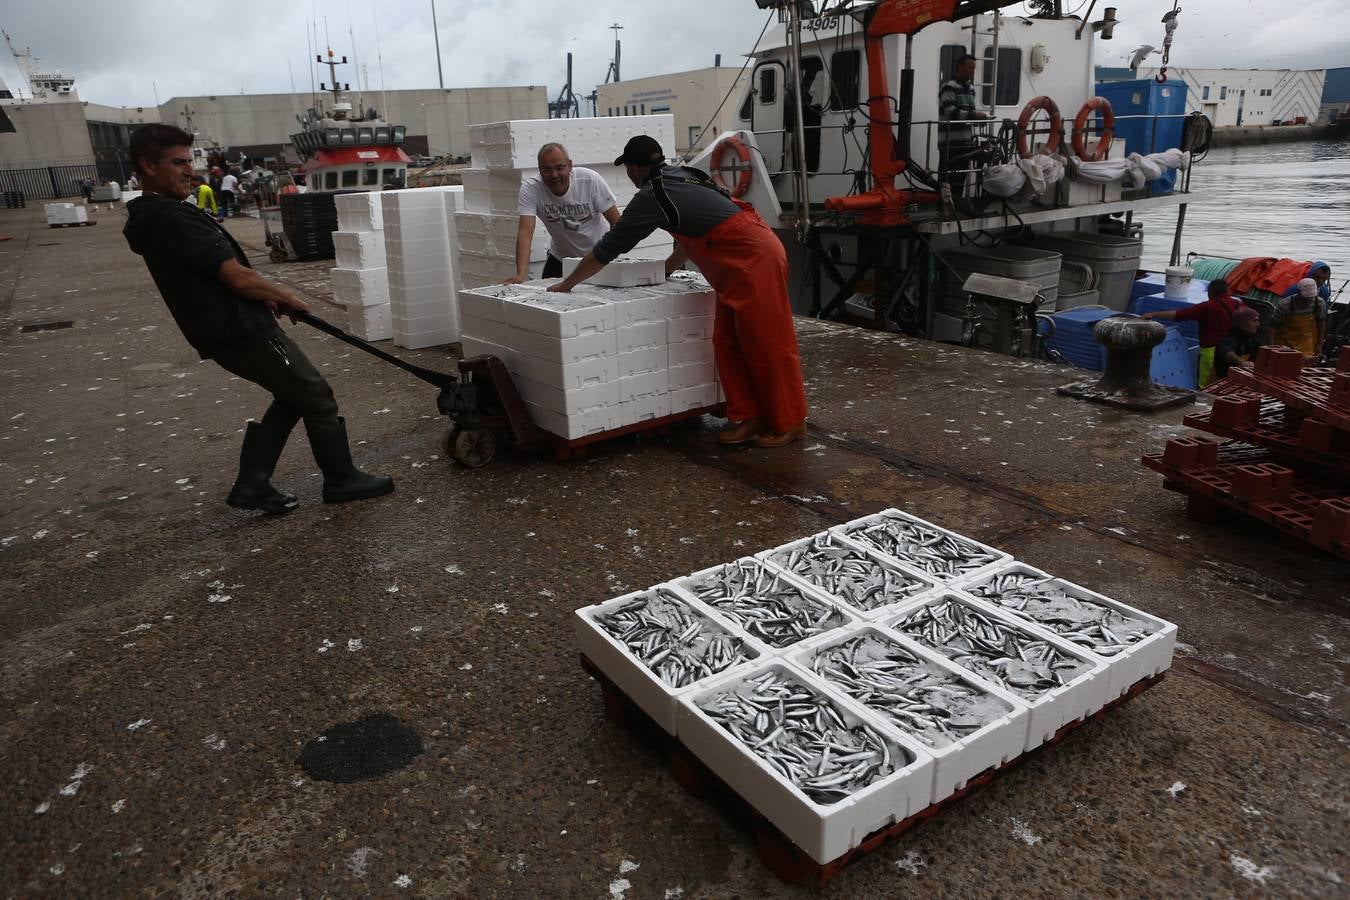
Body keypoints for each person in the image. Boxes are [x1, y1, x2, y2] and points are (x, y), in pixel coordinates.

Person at [122, 124, 393, 514]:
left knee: (293, 395)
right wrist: (285, 296)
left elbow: (210, 278)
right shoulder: (172, 218)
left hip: (223, 330)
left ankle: (253, 484)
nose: (190, 171)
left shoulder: (155, 217)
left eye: (189, 161)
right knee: (317, 396)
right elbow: (235, 276)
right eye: (178, 163)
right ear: (147, 165)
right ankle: (341, 479)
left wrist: (266, 300)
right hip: (241, 331)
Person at [547, 135, 808, 448]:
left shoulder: (652, 194)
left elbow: (608, 248)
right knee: (726, 341)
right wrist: (667, 268)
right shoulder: (685, 175)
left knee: (768, 343)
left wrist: (567, 283)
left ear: (632, 170)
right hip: (735, 264)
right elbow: (693, 229)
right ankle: (749, 416)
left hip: (755, 257)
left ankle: (790, 421)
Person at [505, 143, 619, 283]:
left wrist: (611, 257)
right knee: (547, 299)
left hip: (596, 256)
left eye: (560, 168)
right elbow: (525, 233)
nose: (554, 175)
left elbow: (616, 222)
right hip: (561, 257)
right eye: (546, 170)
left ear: (570, 165)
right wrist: (520, 275)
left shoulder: (589, 180)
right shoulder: (531, 188)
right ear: (539, 169)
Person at [1142, 278, 1245, 387]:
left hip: (1211, 353)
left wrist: (1154, 314)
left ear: (1211, 292)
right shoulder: (1239, 305)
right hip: (1236, 352)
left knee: (1207, 386)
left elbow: (1178, 315)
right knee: (1230, 384)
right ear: (1228, 291)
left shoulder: (1207, 307)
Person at [938, 54, 990, 205]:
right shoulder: (948, 87)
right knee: (947, 178)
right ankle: (943, 208)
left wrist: (978, 120)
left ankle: (958, 207)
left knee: (960, 178)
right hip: (950, 143)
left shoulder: (971, 89)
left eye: (974, 68)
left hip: (966, 142)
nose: (973, 71)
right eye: (970, 68)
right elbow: (951, 112)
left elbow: (968, 114)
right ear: (960, 67)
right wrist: (975, 115)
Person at [1270, 277, 1327, 359]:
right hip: (1284, 343)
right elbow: (1272, 328)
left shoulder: (1320, 303)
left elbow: (1321, 322)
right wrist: (1272, 347)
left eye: (1311, 297)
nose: (1308, 300)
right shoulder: (1285, 304)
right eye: (1305, 298)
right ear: (1299, 293)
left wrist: (1319, 344)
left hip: (1306, 343)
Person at [1213, 306, 1264, 380]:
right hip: (1219, 383)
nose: (1258, 324)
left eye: (1258, 321)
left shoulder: (1251, 341)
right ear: (1242, 323)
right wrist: (1241, 362)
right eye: (1254, 321)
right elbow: (1226, 351)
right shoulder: (1229, 338)